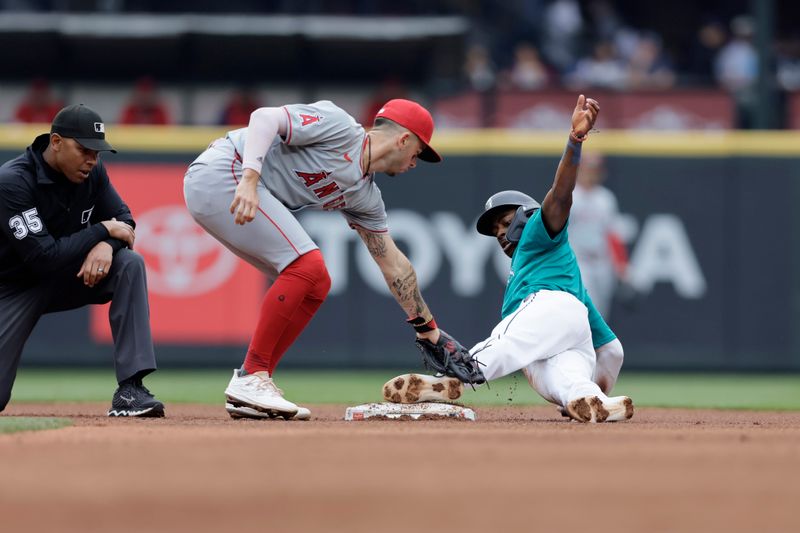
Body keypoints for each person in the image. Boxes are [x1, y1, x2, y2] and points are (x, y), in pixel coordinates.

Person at [183, 98, 462, 421]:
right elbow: (264, 118)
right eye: (419, 152)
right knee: (307, 265)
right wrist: (250, 178)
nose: (416, 162)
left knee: (316, 282)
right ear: (403, 140)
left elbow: (394, 264)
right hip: (225, 172)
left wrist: (428, 329)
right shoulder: (339, 126)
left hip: (229, 191)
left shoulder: (365, 197)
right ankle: (251, 376)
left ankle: (256, 383)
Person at [386, 95, 631, 423]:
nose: (501, 232)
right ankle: (590, 398)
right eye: (495, 229)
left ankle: (454, 379)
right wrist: (601, 383)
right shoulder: (558, 274)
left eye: (505, 222)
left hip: (548, 307)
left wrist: (575, 141)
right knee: (558, 379)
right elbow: (613, 352)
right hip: (572, 330)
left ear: (528, 215)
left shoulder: (538, 232)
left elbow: (560, 194)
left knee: (507, 343)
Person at [0, 104, 164, 417]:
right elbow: (44, 258)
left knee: (129, 263)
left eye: (97, 152)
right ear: (56, 142)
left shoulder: (92, 173)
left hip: (68, 277)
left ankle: (131, 390)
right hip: (12, 287)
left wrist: (107, 244)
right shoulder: (12, 182)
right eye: (84, 150)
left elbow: (125, 221)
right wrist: (102, 229)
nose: (91, 159)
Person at [569, 152, 628, 318]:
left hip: (603, 262)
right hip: (580, 262)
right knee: (586, 309)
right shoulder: (570, 197)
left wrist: (622, 266)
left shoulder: (605, 198)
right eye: (587, 169)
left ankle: (596, 345)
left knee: (601, 315)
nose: (591, 173)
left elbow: (614, 234)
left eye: (594, 169)